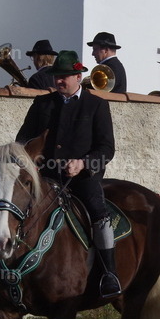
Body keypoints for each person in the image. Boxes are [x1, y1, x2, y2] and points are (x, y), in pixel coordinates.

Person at [15, 50, 121, 297]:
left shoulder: (96, 105)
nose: (58, 81)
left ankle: (109, 273)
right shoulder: (42, 104)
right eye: (56, 76)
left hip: (81, 178)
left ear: (77, 75)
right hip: (44, 177)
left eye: (64, 77)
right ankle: (6, 275)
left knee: (98, 212)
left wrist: (83, 164)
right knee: (13, 208)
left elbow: (107, 148)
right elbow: (23, 140)